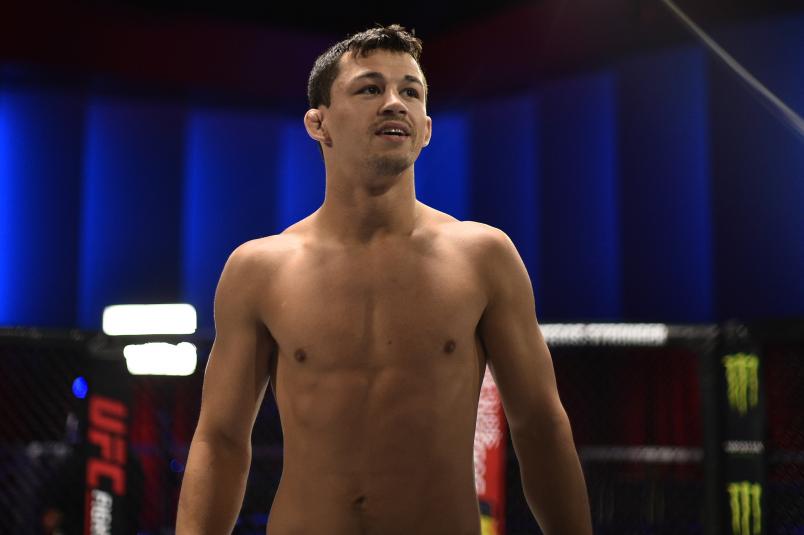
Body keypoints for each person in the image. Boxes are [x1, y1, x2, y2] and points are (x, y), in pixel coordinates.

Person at [176, 24, 592, 535]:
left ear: (426, 127)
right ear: (318, 123)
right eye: (370, 88)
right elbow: (219, 439)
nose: (394, 102)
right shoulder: (259, 270)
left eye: (410, 92)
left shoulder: (483, 257)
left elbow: (541, 427)